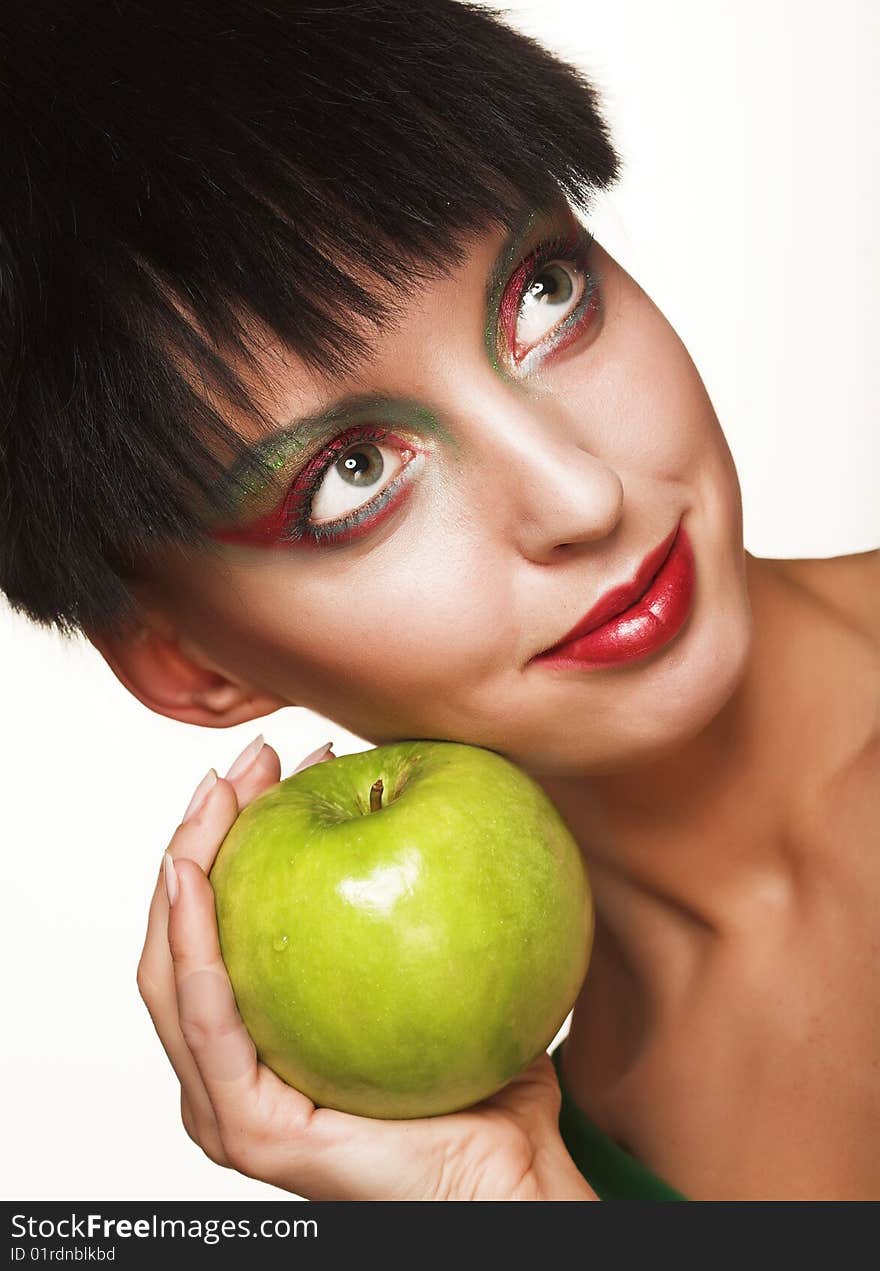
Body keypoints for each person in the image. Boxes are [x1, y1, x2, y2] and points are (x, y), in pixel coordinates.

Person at [1, 0, 877, 1201]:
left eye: (544, 293)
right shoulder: (549, 1161)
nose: (579, 492)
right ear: (189, 659)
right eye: (349, 476)